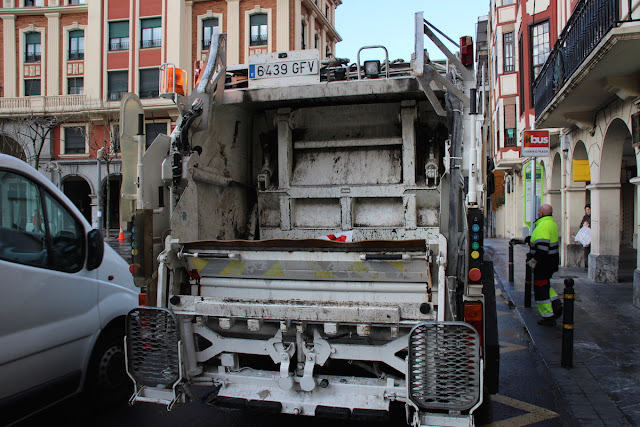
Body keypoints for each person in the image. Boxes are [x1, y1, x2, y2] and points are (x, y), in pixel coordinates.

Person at [527, 203, 563, 326]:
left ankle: (548, 316)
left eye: (538, 212)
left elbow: (542, 248)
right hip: (551, 262)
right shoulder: (551, 223)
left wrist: (534, 261)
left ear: (541, 213)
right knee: (545, 284)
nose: (537, 213)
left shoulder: (542, 225)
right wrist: (526, 240)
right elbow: (539, 240)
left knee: (540, 288)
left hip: (543, 264)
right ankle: (556, 303)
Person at [580, 204, 591, 269]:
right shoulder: (585, 217)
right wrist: (584, 225)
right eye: (586, 210)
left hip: (591, 236)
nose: (588, 211)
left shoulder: (593, 217)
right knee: (586, 250)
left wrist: (589, 225)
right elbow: (581, 225)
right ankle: (587, 264)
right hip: (586, 237)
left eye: (589, 209)